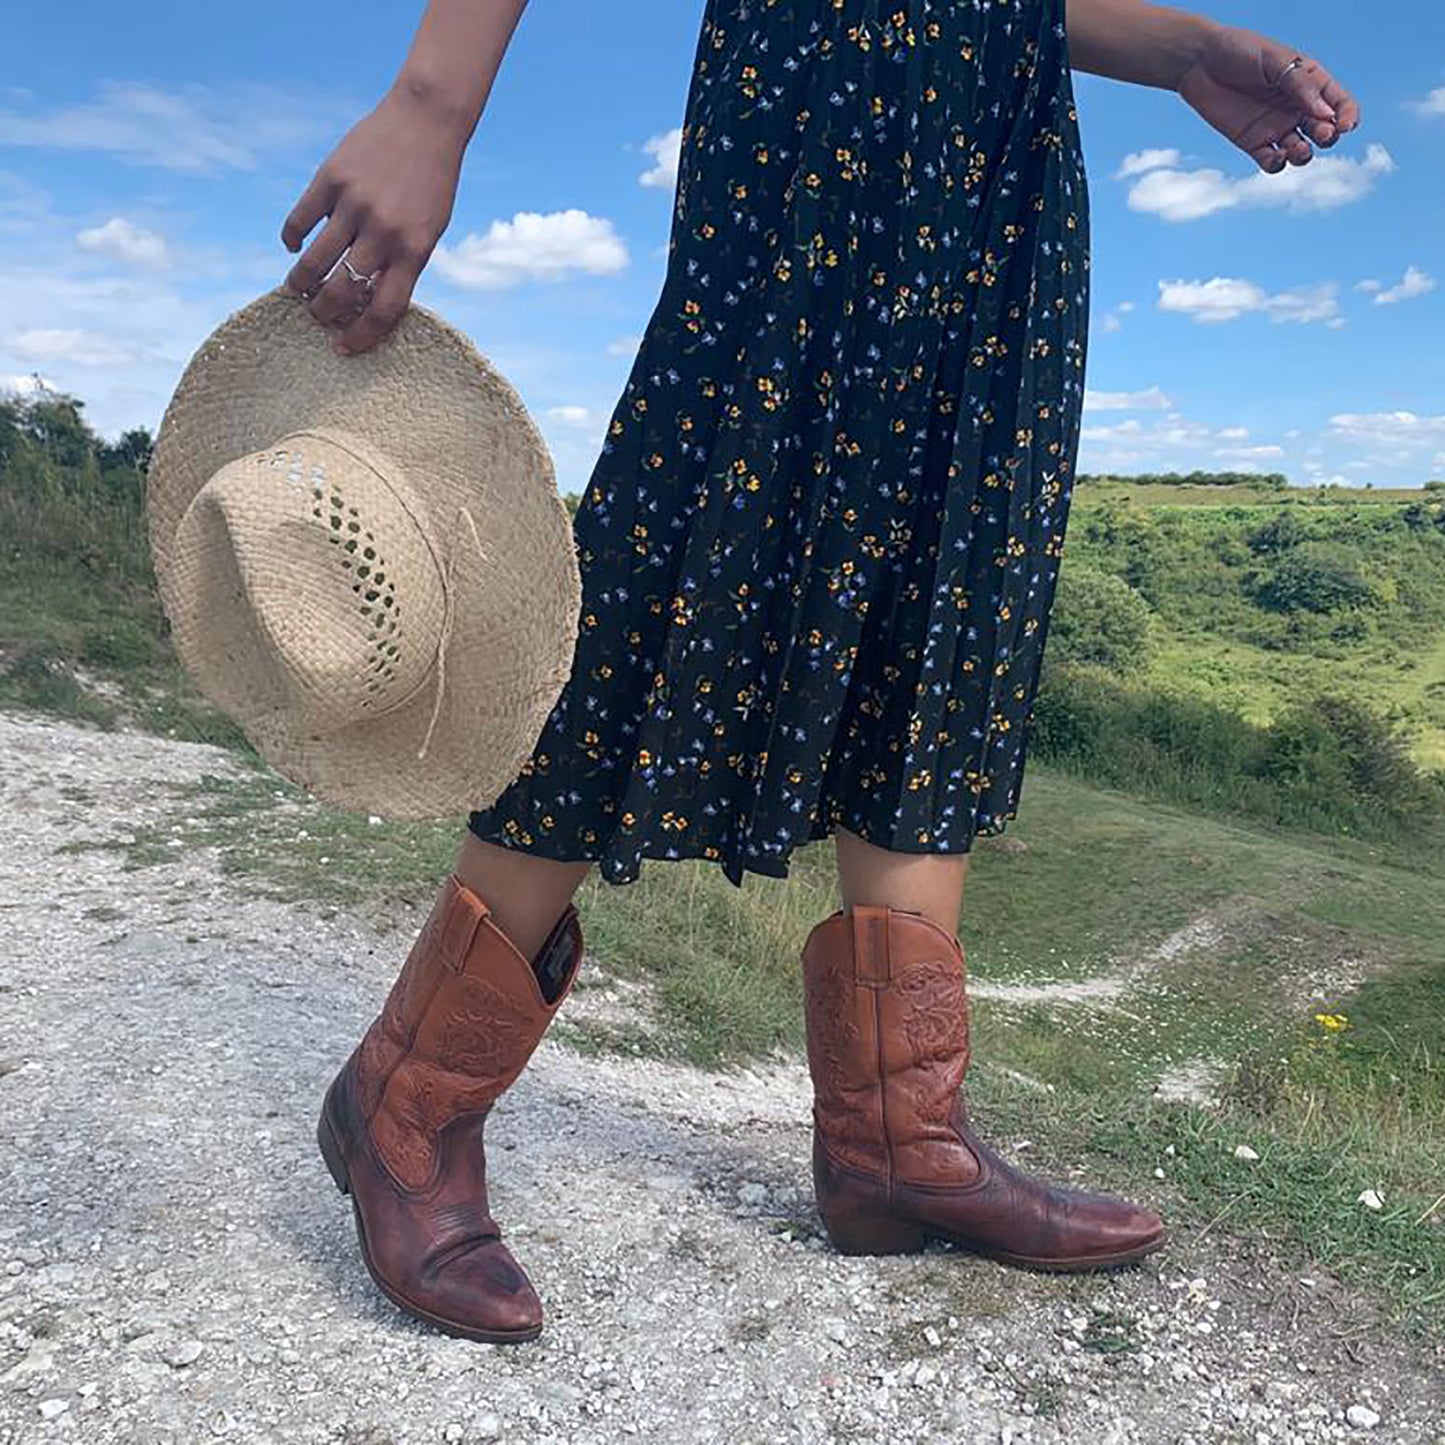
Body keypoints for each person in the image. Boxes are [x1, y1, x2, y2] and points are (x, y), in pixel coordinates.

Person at [287, 0, 1360, 1344]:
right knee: (670, 574)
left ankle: (895, 1143)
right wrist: (432, 105)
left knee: (951, 581)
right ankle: (408, 1095)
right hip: (818, 105)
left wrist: (1182, 52)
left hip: (998, 151)